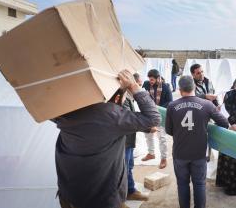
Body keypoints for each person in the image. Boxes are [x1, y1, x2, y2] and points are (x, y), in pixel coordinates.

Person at [52, 70, 161, 208]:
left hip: (70, 195)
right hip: (102, 199)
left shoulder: (65, 111)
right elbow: (153, 118)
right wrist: (133, 86)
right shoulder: (111, 115)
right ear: (116, 98)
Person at [165, 75, 230, 208]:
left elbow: (169, 131)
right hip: (199, 153)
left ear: (179, 88)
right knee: (199, 184)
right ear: (194, 87)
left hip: (180, 152)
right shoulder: (207, 104)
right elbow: (224, 123)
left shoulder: (172, 106)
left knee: (182, 184)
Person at [123, 73, 150, 202]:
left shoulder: (129, 97)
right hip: (124, 141)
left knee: (129, 166)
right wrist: (148, 127)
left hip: (128, 140)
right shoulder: (122, 99)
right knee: (124, 168)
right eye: (137, 84)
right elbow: (129, 120)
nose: (139, 87)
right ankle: (125, 195)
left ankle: (130, 190)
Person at [141, 69, 173, 169]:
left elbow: (170, 102)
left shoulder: (166, 87)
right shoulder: (146, 84)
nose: (150, 81)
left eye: (152, 80)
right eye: (149, 79)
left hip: (161, 115)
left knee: (162, 137)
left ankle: (163, 158)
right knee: (148, 134)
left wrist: (156, 108)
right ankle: (151, 153)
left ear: (158, 78)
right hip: (149, 114)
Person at [190, 63, 219, 161]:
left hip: (210, 112)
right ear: (193, 75)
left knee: (209, 134)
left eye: (202, 72)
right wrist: (205, 96)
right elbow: (191, 97)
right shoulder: (191, 84)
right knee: (199, 137)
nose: (201, 74)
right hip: (198, 114)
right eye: (198, 73)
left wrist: (217, 105)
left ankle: (207, 157)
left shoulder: (208, 81)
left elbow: (213, 95)